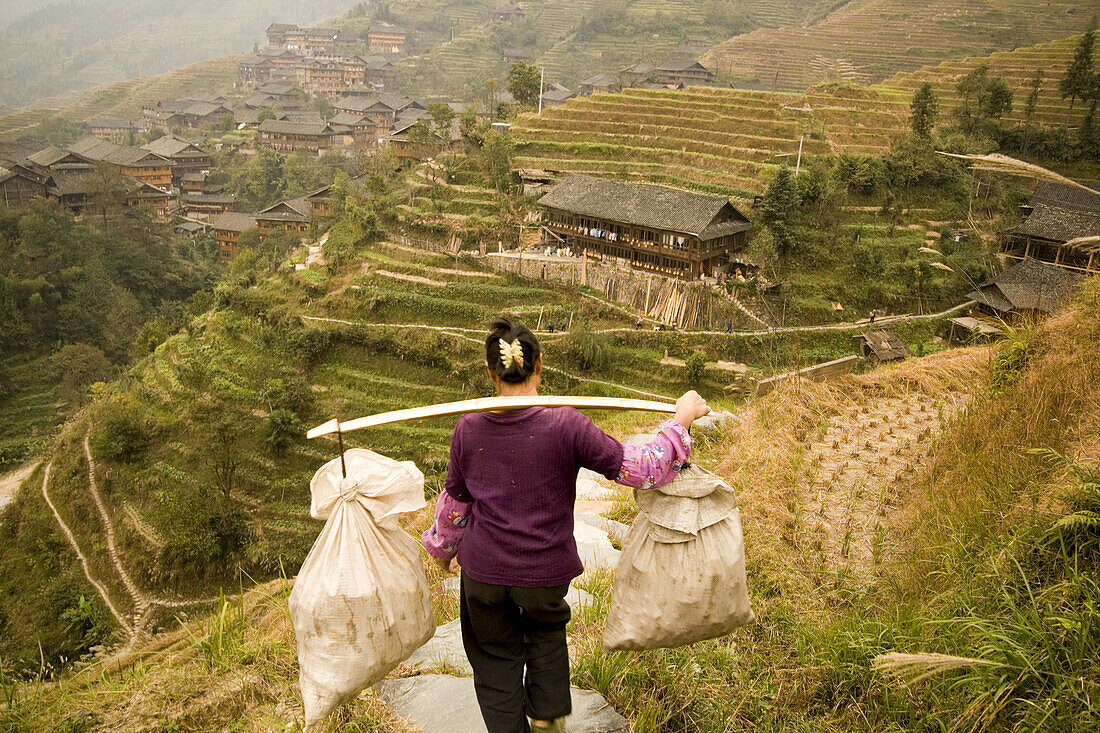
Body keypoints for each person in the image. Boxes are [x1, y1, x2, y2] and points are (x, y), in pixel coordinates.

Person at [422, 318, 709, 733]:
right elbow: (639, 467)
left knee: (495, 659)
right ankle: (545, 719)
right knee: (546, 634)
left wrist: (442, 552)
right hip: (543, 574)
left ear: (490, 374)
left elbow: (454, 506)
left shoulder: (468, 429)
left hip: (484, 575)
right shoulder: (566, 426)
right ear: (540, 366)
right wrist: (680, 423)